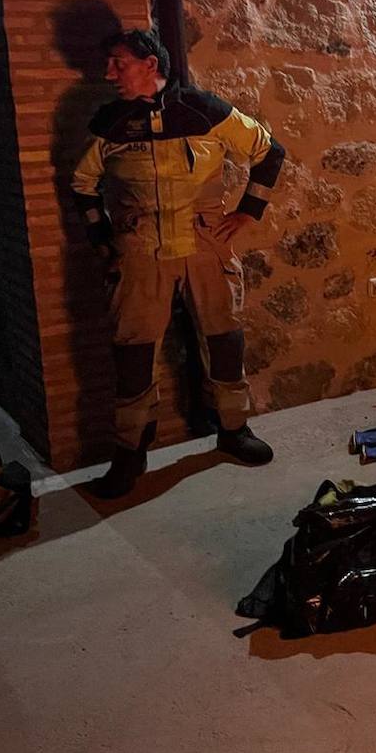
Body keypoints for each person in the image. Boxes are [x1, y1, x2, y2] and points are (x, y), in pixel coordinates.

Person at [71, 29, 286, 498]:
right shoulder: (110, 122)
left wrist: (249, 210)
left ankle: (233, 429)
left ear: (150, 64)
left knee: (224, 337)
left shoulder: (204, 110)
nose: (109, 73)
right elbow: (83, 184)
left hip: (205, 243)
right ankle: (130, 453)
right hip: (140, 250)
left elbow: (270, 151)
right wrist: (103, 239)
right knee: (133, 351)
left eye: (118, 62)